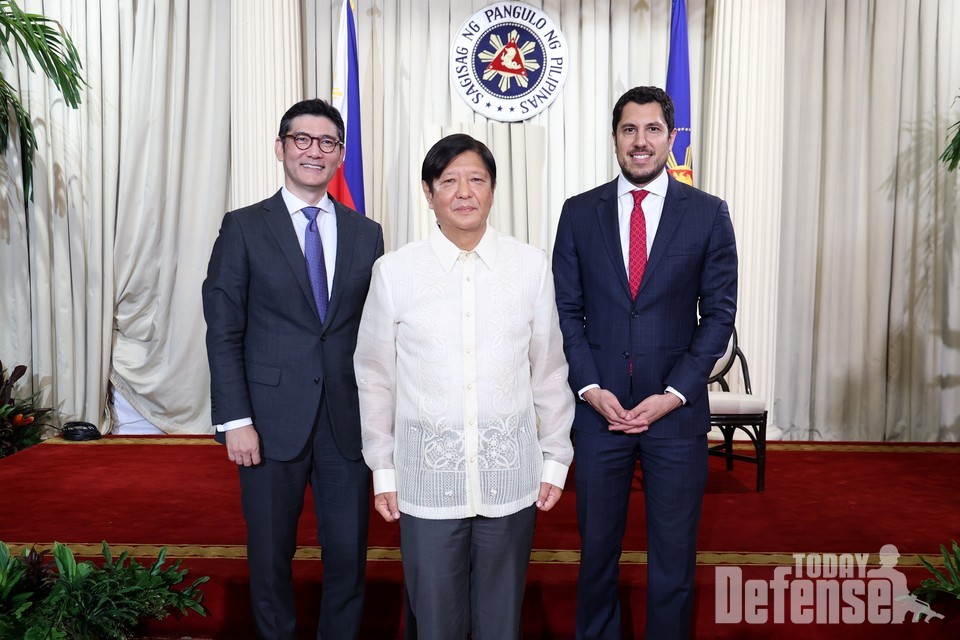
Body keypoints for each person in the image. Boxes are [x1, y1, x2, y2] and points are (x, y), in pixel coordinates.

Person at [354, 133, 574, 639]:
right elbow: (375, 378)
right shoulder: (394, 273)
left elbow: (549, 371)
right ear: (428, 193)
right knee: (435, 624)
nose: (464, 192)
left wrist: (555, 457)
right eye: (449, 180)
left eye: (476, 179)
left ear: (493, 190)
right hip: (427, 483)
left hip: (510, 479)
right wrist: (383, 469)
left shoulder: (530, 267)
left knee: (501, 625)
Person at [552, 86, 738, 639]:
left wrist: (674, 393)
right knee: (596, 558)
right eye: (629, 130)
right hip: (600, 413)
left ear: (670, 137)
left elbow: (719, 315)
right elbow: (566, 310)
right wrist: (588, 386)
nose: (640, 141)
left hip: (675, 417)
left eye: (652, 129)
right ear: (615, 138)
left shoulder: (707, 214)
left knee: (674, 561)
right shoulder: (578, 212)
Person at [202, 98, 383, 639]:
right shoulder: (242, 228)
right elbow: (223, 330)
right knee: (270, 558)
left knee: (349, 557)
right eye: (301, 140)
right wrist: (234, 420)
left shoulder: (366, 233)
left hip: (345, 423)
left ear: (340, 156)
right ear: (280, 148)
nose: (313, 151)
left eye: (326, 143)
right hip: (267, 420)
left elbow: (374, 332)